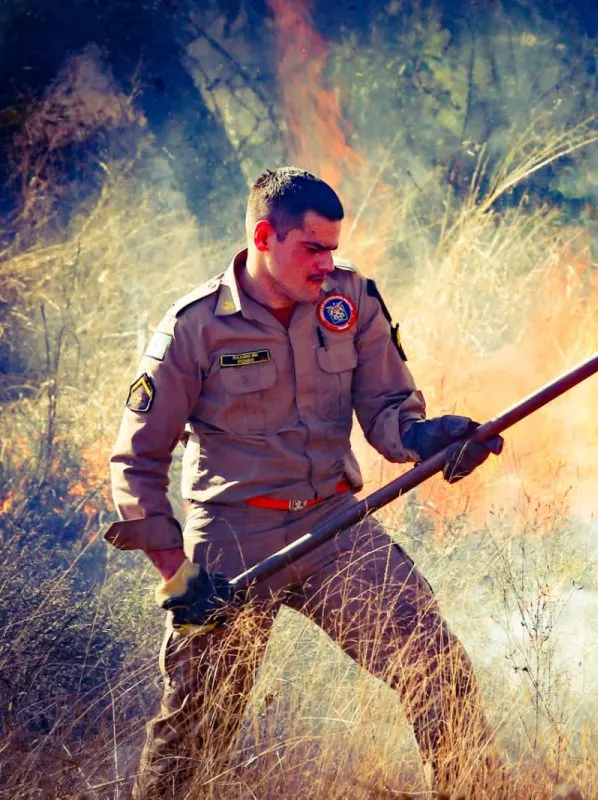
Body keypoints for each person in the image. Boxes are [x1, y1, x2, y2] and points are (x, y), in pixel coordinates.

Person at [104, 166, 504, 797]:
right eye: (312, 248)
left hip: (333, 525)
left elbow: (388, 405)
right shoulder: (194, 328)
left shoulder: (352, 301)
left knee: (436, 666)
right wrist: (181, 579)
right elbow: (136, 462)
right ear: (265, 236)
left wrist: (425, 438)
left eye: (332, 250)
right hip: (233, 541)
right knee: (195, 732)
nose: (325, 264)